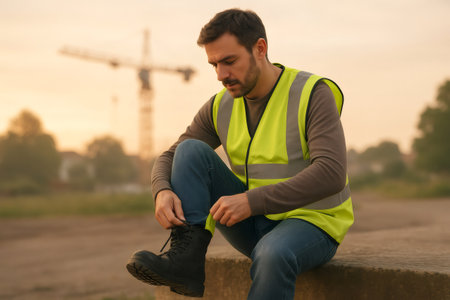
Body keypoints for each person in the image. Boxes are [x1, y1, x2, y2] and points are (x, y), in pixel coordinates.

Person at [126, 8, 354, 299]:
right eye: (214, 65)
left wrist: (251, 200)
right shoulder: (220, 105)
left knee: (272, 254)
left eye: (229, 61)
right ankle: (186, 263)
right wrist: (161, 190)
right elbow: (169, 157)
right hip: (253, 222)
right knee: (190, 150)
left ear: (260, 48)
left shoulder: (312, 93)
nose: (222, 74)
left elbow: (332, 173)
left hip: (313, 225)